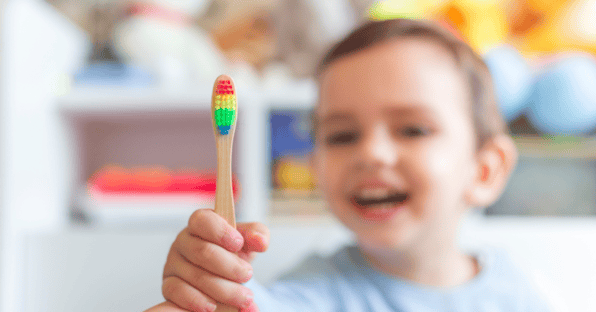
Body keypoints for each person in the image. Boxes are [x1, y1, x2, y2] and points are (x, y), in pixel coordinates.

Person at [146, 18, 559, 312]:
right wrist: (211, 293)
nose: (371, 154)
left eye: (413, 129)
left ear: (485, 170)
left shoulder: (518, 293)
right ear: (316, 167)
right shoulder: (312, 293)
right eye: (342, 135)